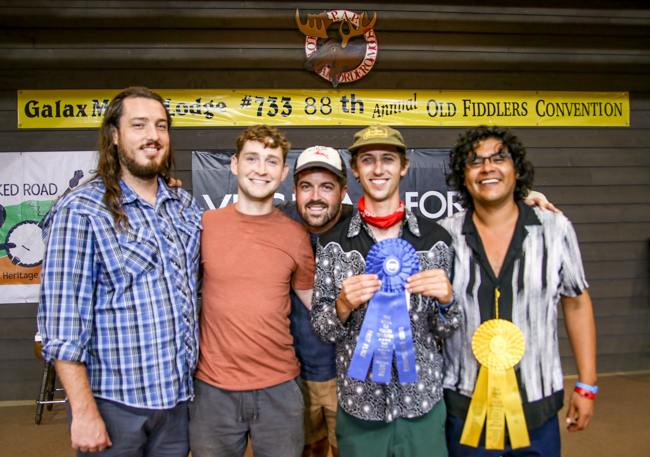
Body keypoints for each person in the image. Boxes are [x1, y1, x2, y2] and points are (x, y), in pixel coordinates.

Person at [37, 87, 203, 456]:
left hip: (178, 402)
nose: (153, 136)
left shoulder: (184, 206)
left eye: (161, 126)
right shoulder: (81, 211)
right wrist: (82, 411)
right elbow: (63, 324)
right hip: (115, 404)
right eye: (139, 125)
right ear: (114, 135)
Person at [439, 126, 597, 457]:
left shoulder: (555, 229)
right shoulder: (445, 235)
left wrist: (587, 384)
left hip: (537, 404)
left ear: (518, 169)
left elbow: (577, 304)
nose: (487, 168)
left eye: (499, 158)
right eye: (474, 161)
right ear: (463, 177)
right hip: (464, 404)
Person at [311, 125, 461, 457]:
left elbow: (448, 327)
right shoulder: (333, 243)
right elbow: (321, 328)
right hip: (360, 408)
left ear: (404, 166)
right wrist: (341, 306)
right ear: (355, 169)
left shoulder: (436, 241)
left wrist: (447, 302)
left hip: (422, 404)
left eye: (388, 159)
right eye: (368, 160)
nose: (378, 169)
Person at [189, 125, 315, 457]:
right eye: (252, 158)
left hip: (279, 389)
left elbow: (317, 304)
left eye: (272, 161)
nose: (261, 169)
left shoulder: (295, 235)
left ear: (284, 172)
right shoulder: (204, 225)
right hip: (213, 389)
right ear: (234, 164)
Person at [278, 145, 352, 457]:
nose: (316, 196)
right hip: (294, 381)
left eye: (327, 186)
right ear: (294, 190)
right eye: (306, 186)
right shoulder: (275, 222)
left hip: (349, 380)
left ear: (343, 191)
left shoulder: (361, 226)